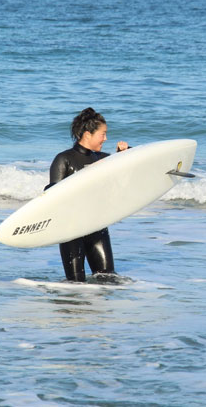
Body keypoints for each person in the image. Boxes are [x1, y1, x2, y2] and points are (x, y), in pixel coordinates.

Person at [46, 108, 129, 282]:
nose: (106, 139)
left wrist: (124, 154)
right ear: (87, 134)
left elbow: (130, 166)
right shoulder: (64, 159)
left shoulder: (103, 159)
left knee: (109, 279)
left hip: (97, 227)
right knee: (75, 285)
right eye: (103, 134)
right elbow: (51, 194)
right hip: (71, 231)